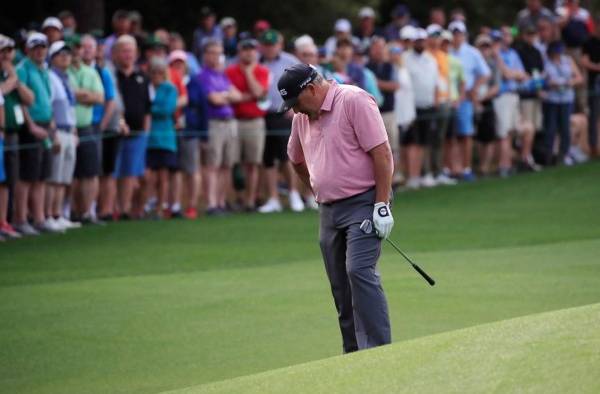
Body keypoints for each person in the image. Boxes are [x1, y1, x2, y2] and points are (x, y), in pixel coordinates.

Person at [282, 64, 394, 352]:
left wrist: (381, 204)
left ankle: (380, 351)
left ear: (311, 89)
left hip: (364, 202)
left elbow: (381, 153)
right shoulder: (301, 119)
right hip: (329, 211)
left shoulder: (354, 100)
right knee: (340, 286)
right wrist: (317, 189)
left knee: (358, 270)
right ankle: (354, 352)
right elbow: (295, 160)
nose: (295, 110)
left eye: (296, 102)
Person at [15, 32, 62, 234]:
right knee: (27, 176)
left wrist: (52, 127)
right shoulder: (23, 68)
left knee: (42, 175)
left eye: (43, 47)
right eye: (36, 47)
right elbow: (21, 101)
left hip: (45, 124)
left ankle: (40, 217)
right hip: (31, 127)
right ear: (28, 49)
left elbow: (47, 102)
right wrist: (32, 125)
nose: (40, 51)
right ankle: (22, 219)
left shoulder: (43, 70)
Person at [258, 29, 305, 213]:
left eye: (273, 45)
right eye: (266, 45)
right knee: (268, 158)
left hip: (284, 113)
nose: (269, 49)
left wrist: (296, 107)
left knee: (287, 155)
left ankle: (294, 193)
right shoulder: (257, 61)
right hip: (262, 114)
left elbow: (303, 84)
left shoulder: (290, 61)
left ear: (279, 45)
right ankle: (273, 198)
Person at [225, 38, 270, 211]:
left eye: (252, 49)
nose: (249, 52)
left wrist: (249, 73)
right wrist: (249, 95)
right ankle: (236, 199)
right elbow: (230, 96)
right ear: (239, 52)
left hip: (255, 122)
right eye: (245, 49)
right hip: (234, 121)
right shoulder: (229, 71)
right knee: (233, 163)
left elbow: (259, 93)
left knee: (253, 163)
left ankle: (250, 201)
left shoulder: (261, 71)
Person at [198, 39, 241, 215]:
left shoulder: (221, 75)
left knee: (226, 164)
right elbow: (213, 100)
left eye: (219, 53)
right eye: (213, 52)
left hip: (229, 122)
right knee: (212, 164)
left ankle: (221, 202)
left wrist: (224, 95)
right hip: (214, 123)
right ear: (206, 55)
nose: (217, 56)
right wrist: (226, 96)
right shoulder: (202, 76)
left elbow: (237, 96)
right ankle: (211, 203)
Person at [112, 34, 151, 220]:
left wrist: (146, 131)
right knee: (114, 171)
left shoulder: (142, 77)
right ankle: (113, 208)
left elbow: (147, 108)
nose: (128, 55)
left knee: (130, 173)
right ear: (116, 53)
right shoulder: (112, 76)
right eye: (124, 51)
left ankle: (126, 209)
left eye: (131, 51)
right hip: (115, 131)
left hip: (137, 132)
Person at [68, 35, 105, 223]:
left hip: (87, 127)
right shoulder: (62, 72)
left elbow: (100, 97)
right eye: (72, 48)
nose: (76, 52)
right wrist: (83, 94)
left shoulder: (90, 72)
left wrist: (78, 94)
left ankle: (88, 212)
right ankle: (70, 211)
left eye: (78, 48)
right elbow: (69, 95)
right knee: (71, 173)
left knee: (90, 172)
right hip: (68, 128)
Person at [449, 20, 491, 181]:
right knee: (451, 136)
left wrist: (474, 89)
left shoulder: (472, 52)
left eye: (459, 34)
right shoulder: (447, 51)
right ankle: (454, 168)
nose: (457, 37)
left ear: (464, 35)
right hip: (450, 98)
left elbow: (485, 73)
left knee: (466, 134)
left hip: (465, 99)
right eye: (454, 34)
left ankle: (466, 168)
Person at [0, 34, 32, 238]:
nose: (6, 56)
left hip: (12, 133)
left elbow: (29, 99)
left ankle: (4, 221)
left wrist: (14, 79)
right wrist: (11, 80)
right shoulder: (8, 77)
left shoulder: (12, 73)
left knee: (6, 180)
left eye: (9, 51)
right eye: (2, 51)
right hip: (3, 134)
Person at [47, 41, 80, 230]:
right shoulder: (51, 77)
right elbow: (50, 107)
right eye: (61, 54)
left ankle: (58, 214)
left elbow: (70, 108)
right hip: (58, 131)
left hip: (69, 131)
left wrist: (74, 130)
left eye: (67, 54)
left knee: (64, 178)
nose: (65, 57)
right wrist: (53, 133)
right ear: (53, 58)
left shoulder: (66, 77)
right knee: (54, 177)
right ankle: (49, 215)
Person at [402, 28, 439, 190]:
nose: (420, 43)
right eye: (417, 41)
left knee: (425, 142)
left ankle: (425, 174)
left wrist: (436, 100)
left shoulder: (431, 59)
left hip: (428, 106)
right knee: (412, 143)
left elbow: (435, 83)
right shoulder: (405, 59)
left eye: (422, 41)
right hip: (411, 107)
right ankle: (412, 176)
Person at [493, 26, 531, 177]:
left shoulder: (513, 53)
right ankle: (504, 166)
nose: (507, 38)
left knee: (512, 131)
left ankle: (512, 163)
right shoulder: (495, 54)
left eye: (509, 35)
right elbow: (508, 75)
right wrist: (514, 74)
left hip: (514, 95)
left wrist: (513, 74)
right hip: (502, 97)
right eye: (504, 35)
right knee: (504, 133)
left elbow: (524, 75)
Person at [145, 57, 178, 218]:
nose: (156, 75)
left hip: (164, 138)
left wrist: (149, 108)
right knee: (148, 174)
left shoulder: (169, 88)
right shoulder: (146, 87)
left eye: (160, 72)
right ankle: (146, 204)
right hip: (148, 137)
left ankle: (160, 206)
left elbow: (167, 109)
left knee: (163, 175)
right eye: (154, 72)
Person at [92, 35, 121, 221]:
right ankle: (89, 210)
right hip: (91, 127)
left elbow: (113, 100)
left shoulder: (106, 70)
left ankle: (106, 210)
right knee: (92, 171)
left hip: (107, 126)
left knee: (107, 171)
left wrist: (105, 124)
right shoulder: (90, 70)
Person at [542, 41, 583, 165]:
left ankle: (564, 155)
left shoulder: (567, 60)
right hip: (552, 99)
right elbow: (540, 79)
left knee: (565, 128)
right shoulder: (545, 62)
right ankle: (548, 157)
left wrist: (571, 82)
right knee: (551, 128)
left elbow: (579, 77)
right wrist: (550, 83)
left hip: (567, 98)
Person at [366, 37, 401, 182]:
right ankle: (378, 180)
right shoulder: (366, 67)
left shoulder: (389, 66)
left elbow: (395, 86)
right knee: (375, 149)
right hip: (371, 114)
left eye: (381, 48)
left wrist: (375, 83)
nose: (378, 51)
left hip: (388, 113)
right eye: (375, 48)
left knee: (392, 147)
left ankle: (393, 179)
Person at [182, 65, 209, 219]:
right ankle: (173, 206)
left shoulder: (195, 83)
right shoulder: (169, 81)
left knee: (193, 170)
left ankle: (192, 205)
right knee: (175, 171)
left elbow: (204, 110)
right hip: (171, 133)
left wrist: (204, 136)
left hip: (192, 133)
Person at [474, 34, 500, 176]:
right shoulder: (473, 63)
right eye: (481, 47)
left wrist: (482, 98)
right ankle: (480, 165)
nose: (484, 50)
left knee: (489, 136)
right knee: (477, 136)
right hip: (473, 101)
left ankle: (485, 166)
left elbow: (496, 86)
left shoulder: (493, 64)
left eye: (487, 47)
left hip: (487, 102)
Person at [581, 14, 600, 157]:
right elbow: (584, 62)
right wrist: (597, 67)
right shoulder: (588, 42)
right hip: (594, 85)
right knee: (593, 116)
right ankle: (593, 147)